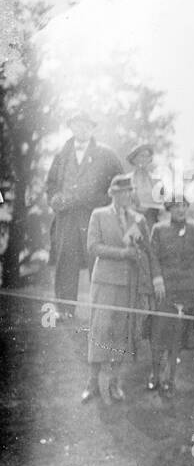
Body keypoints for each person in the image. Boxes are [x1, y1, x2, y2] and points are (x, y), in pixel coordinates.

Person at [83, 174, 159, 403]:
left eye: (128, 191)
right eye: (120, 191)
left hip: (130, 283)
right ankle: (92, 382)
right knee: (100, 330)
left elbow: (147, 249)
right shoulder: (99, 215)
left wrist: (141, 254)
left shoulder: (139, 219)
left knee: (122, 332)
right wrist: (122, 253)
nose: (125, 195)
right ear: (111, 193)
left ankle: (115, 383)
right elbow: (93, 247)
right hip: (105, 281)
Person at [46, 112, 125, 320]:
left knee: (97, 262)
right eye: (77, 125)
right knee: (65, 262)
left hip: (95, 217)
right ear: (71, 127)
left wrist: (104, 203)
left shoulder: (106, 155)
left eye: (86, 126)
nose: (81, 129)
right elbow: (51, 184)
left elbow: (121, 184)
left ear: (92, 129)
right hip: (66, 218)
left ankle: (101, 312)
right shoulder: (61, 155)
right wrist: (55, 199)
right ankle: (64, 311)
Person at [147, 193, 194, 397]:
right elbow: (152, 257)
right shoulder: (158, 229)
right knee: (158, 334)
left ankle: (169, 379)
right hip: (164, 289)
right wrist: (157, 279)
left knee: (177, 337)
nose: (181, 210)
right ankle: (155, 375)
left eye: (184, 206)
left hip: (188, 290)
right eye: (176, 206)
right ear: (169, 209)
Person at [124, 143, 164, 226]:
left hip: (151, 221)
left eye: (147, 156)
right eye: (142, 156)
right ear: (134, 159)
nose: (144, 159)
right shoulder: (127, 180)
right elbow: (123, 204)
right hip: (131, 222)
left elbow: (162, 205)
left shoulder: (157, 180)